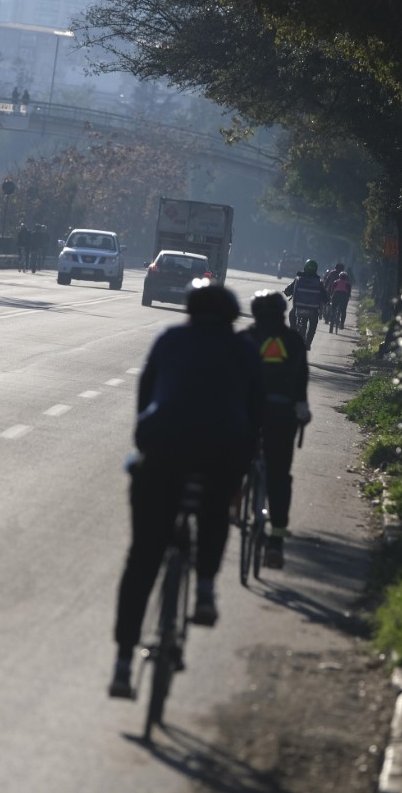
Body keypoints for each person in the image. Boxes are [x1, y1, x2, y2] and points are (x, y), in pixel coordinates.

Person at [109, 280, 262, 699]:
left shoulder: (170, 339)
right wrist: (242, 465)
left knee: (143, 557)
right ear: (232, 319)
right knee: (215, 509)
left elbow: (145, 396)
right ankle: (207, 588)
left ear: (189, 311)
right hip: (223, 450)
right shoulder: (244, 351)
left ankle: (123, 663)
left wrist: (146, 442)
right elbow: (256, 412)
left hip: (163, 449)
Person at [241, 290, 312, 569]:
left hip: (246, 414)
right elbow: (301, 381)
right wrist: (301, 408)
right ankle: (276, 541)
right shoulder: (293, 341)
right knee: (279, 475)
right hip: (282, 416)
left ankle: (233, 501)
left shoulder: (246, 338)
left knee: (230, 460)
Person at [284, 259, 326, 349]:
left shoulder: (298, 279)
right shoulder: (318, 281)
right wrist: (327, 301)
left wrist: (286, 292)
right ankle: (308, 343)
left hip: (298, 307)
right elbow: (324, 295)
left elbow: (288, 290)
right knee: (313, 324)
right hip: (313, 309)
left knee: (292, 316)